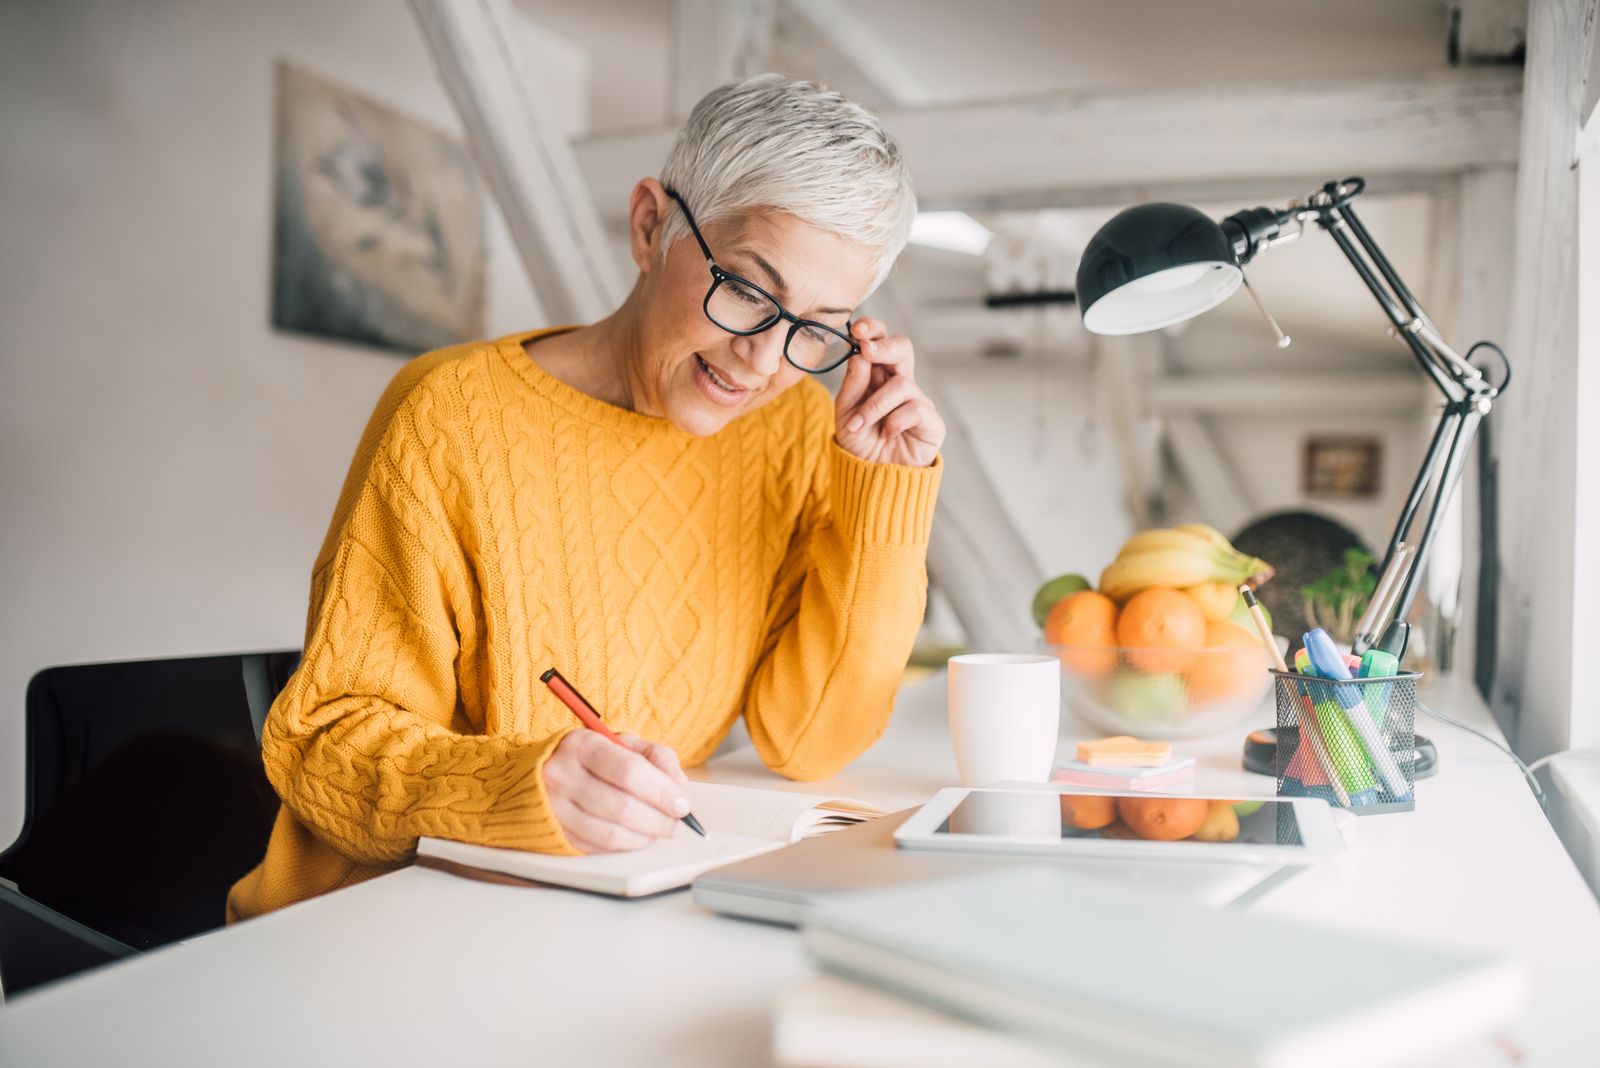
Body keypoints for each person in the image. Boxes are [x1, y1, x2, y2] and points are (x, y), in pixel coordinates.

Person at [227, 75, 944, 921]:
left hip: (602, 914)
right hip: (373, 924)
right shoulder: (450, 415)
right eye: (749, 291)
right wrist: (516, 787)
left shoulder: (787, 429)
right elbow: (322, 743)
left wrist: (883, 488)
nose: (763, 364)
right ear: (650, 227)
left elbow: (810, 739)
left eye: (818, 325)